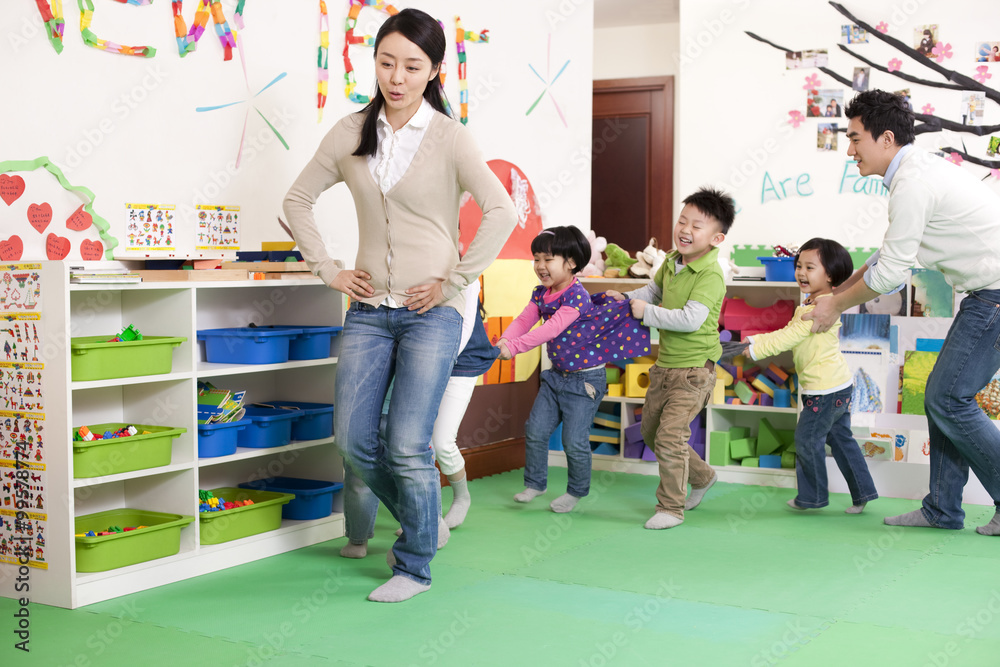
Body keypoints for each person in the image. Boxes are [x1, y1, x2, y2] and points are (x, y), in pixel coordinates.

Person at [283, 8, 516, 602]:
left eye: (412, 65)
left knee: (408, 444)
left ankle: (413, 564)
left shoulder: (450, 137)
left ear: (434, 69)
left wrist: (454, 280)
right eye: (387, 62)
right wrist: (329, 269)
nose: (397, 76)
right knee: (354, 440)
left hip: (431, 312)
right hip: (368, 310)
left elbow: (501, 211)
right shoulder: (349, 132)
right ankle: (424, 519)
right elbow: (298, 199)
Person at [805, 89, 1000, 533]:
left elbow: (891, 275)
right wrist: (837, 293)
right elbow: (885, 257)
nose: (850, 150)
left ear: (886, 138)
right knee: (942, 398)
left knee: (947, 398)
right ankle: (943, 508)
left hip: (995, 293)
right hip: (989, 292)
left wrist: (834, 305)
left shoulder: (912, 183)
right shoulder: (917, 170)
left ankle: (953, 506)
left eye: (855, 138)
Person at [338, 281, 498, 558]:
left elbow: (460, 328)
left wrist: (423, 364)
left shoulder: (459, 280)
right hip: (401, 351)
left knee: (424, 443)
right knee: (359, 446)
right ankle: (362, 534)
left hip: (451, 358)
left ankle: (432, 519)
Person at [498, 226, 651, 514]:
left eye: (548, 259)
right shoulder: (541, 294)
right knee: (535, 429)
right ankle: (536, 483)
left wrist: (516, 348)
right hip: (556, 377)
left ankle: (576, 491)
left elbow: (551, 328)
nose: (540, 266)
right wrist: (506, 338)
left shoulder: (576, 297)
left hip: (585, 382)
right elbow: (524, 319)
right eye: (536, 259)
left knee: (574, 439)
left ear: (570, 262)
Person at [607, 187, 734, 529]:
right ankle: (704, 476)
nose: (685, 230)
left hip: (695, 371)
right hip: (665, 367)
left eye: (697, 225)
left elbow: (690, 319)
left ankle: (670, 508)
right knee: (650, 433)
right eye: (682, 221)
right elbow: (653, 291)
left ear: (717, 237)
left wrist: (646, 312)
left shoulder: (710, 275)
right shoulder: (672, 261)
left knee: (670, 437)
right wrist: (622, 299)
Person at [721, 239, 879, 512]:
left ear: (829, 275)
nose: (800, 272)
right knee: (841, 440)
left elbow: (788, 337)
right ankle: (863, 493)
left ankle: (813, 497)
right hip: (838, 385)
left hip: (824, 390)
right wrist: (755, 342)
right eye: (798, 266)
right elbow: (788, 334)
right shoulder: (820, 301)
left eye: (809, 267)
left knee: (807, 441)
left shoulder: (819, 308)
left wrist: (754, 348)